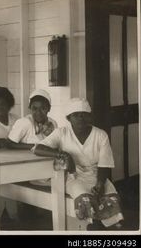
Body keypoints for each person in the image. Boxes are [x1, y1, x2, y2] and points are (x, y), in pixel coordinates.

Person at [34, 98, 124, 230]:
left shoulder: (100, 135)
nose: (80, 118)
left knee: (110, 199)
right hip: (73, 175)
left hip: (97, 174)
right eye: (76, 115)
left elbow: (105, 163)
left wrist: (99, 184)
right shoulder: (62, 132)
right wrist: (64, 154)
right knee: (84, 198)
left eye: (84, 114)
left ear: (89, 117)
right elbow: (38, 148)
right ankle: (89, 226)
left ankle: (108, 229)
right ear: (69, 118)